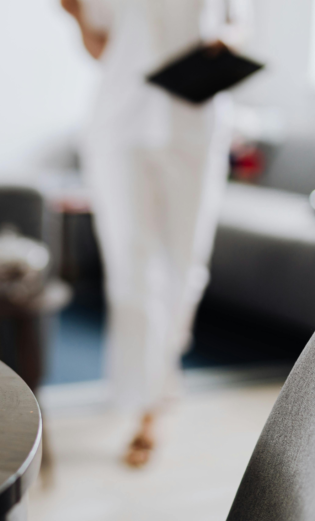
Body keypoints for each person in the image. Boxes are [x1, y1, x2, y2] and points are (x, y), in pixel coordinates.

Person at [62, 0, 252, 467]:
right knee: (131, 264)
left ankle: (158, 388)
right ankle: (143, 402)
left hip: (195, 124)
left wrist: (227, 43)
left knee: (185, 263)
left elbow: (238, 21)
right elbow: (102, 49)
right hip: (120, 126)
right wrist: (74, 15)